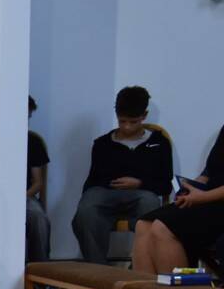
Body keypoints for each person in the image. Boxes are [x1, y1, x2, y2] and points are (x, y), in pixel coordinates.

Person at [71, 86, 172, 264]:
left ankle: (141, 266)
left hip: (142, 194)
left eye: (133, 122)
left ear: (144, 116)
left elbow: (165, 184)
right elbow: (92, 181)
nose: (127, 127)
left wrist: (139, 183)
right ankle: (97, 269)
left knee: (150, 202)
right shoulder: (102, 144)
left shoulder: (159, 143)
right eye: (122, 121)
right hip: (105, 193)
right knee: (86, 210)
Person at [132, 125, 224, 274]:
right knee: (143, 224)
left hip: (217, 203)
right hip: (206, 199)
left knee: (162, 227)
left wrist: (202, 197)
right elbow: (208, 173)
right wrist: (188, 187)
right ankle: (145, 288)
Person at [26, 96, 51, 262]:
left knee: (38, 217)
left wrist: (22, 197)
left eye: (27, 117)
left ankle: (40, 269)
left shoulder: (33, 142)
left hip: (26, 196)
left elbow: (38, 183)